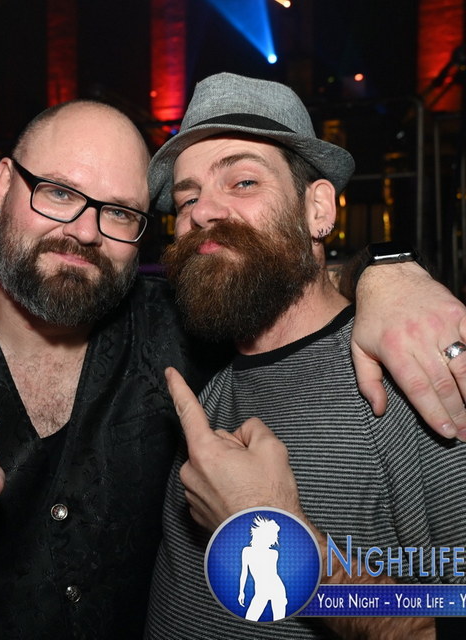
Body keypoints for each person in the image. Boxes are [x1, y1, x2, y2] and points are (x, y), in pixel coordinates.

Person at [0, 97, 465, 640]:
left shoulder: (418, 377)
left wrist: (391, 272)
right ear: (0, 189)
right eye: (58, 192)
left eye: (120, 212)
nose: (84, 231)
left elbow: (444, 611)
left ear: (319, 207)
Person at [144, 73, 466, 639]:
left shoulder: (412, 375)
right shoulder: (204, 373)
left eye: (243, 181)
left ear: (318, 208)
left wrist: (274, 532)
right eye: (187, 197)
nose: (202, 211)